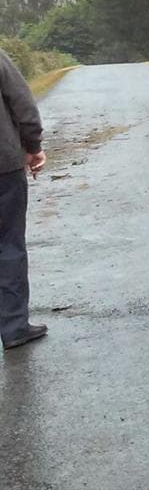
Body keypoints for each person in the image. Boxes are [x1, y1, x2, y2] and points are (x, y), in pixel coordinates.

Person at [1, 48, 46, 351]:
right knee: (9, 244)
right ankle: (14, 326)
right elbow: (23, 105)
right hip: (2, 168)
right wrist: (33, 145)